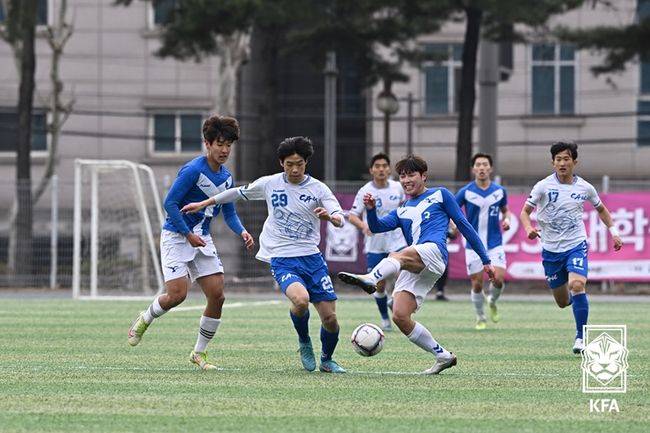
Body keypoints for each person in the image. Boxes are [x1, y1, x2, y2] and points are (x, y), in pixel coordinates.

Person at [181, 136, 347, 373]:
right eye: (290, 164)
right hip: (282, 258)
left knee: (330, 319)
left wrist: (330, 218)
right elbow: (235, 193)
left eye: (299, 163)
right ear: (281, 163)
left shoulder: (318, 188)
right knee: (300, 301)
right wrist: (204, 203)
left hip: (312, 258)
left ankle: (327, 359)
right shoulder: (269, 184)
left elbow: (340, 217)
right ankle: (304, 341)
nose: (295, 169)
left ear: (306, 163)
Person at [338, 155, 495, 375]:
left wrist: (486, 260)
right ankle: (443, 356)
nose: (406, 180)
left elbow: (464, 225)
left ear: (424, 176)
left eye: (411, 174)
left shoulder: (440, 195)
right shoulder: (402, 209)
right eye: (402, 176)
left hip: (434, 253)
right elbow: (376, 227)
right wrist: (371, 210)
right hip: (420, 264)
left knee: (397, 254)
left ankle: (371, 278)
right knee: (400, 315)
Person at [127, 115, 255, 370]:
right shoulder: (193, 170)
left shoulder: (227, 177)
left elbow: (229, 212)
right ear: (207, 143)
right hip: (177, 236)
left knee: (217, 296)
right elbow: (170, 204)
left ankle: (199, 353)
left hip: (202, 239)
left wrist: (242, 231)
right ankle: (146, 317)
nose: (225, 150)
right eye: (220, 143)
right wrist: (187, 234)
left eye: (229, 145)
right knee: (177, 296)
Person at [520, 141, 623, 354]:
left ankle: (580, 338)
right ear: (553, 163)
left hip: (576, 244)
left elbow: (602, 210)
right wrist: (529, 227)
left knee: (577, 285)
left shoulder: (584, 187)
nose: (562, 163)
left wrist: (614, 232)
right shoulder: (543, 186)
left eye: (566, 159)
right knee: (561, 301)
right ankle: (573, 301)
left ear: (574, 162)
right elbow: (524, 212)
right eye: (558, 159)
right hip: (550, 250)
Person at [348, 153, 407, 331]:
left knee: (403, 274)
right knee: (378, 285)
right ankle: (385, 318)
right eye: (377, 166)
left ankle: (395, 301)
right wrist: (363, 225)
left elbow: (405, 208)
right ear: (371, 170)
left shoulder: (398, 187)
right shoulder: (366, 190)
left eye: (384, 166)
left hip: (397, 240)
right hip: (375, 243)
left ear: (389, 169)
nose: (381, 169)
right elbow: (352, 216)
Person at [455, 153, 512, 330]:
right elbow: (452, 211)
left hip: (494, 243)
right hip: (473, 245)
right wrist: (452, 226)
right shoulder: (465, 192)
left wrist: (507, 219)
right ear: (473, 169)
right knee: (477, 283)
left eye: (484, 164)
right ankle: (480, 317)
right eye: (478, 165)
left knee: (499, 279)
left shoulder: (499, 191)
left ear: (490, 168)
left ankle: (492, 301)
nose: (481, 168)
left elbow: (505, 210)